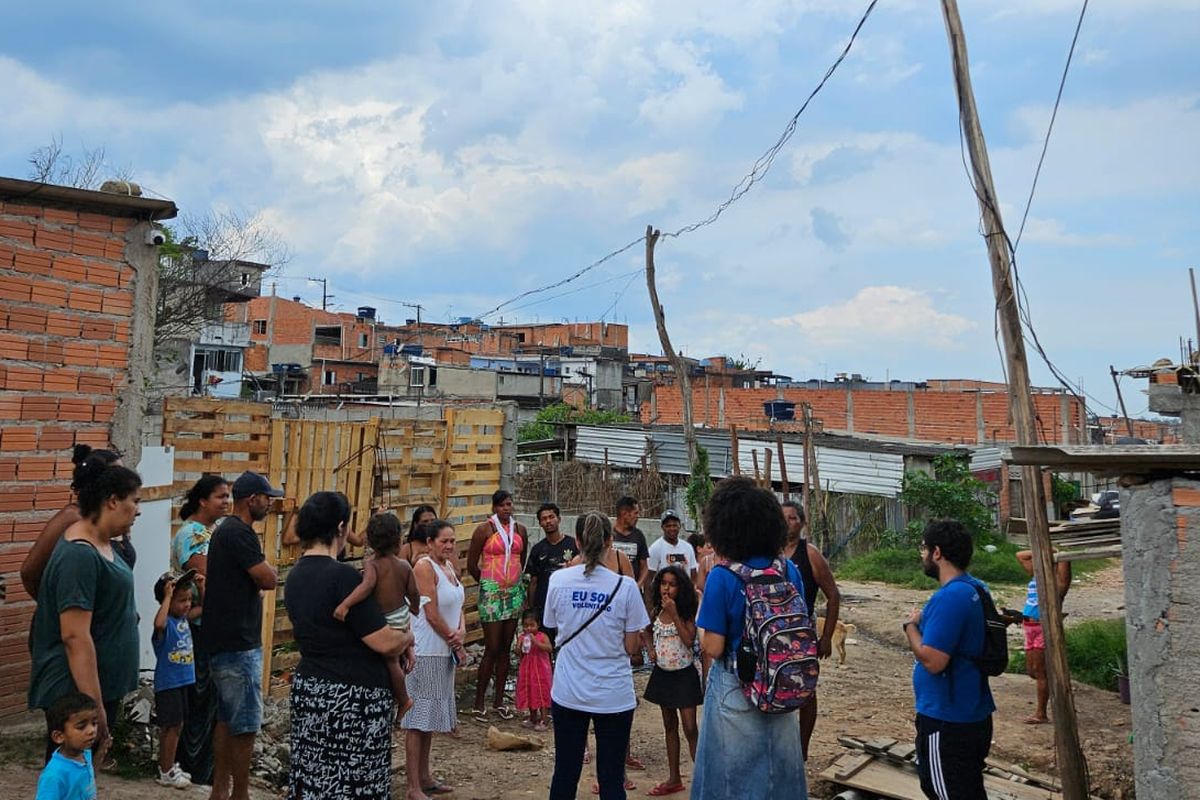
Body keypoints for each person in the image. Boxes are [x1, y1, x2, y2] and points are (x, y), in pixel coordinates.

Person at [284, 491, 413, 800]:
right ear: (341, 528)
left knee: (314, 780)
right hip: (352, 700)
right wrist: (407, 637)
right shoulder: (343, 577)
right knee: (354, 785)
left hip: (310, 691)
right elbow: (383, 642)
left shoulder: (294, 576)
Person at [693, 476, 808, 800]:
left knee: (731, 784)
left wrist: (702, 610)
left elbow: (713, 647)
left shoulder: (723, 577)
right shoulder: (788, 571)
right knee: (780, 779)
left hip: (735, 688)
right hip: (782, 685)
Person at [28, 464, 142, 766]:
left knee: (81, 778)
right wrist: (95, 706)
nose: (138, 510)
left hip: (99, 685)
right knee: (67, 777)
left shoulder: (101, 543)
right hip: (75, 691)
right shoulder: (79, 554)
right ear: (113, 501)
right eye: (135, 500)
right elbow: (74, 636)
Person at [545, 512, 650, 800]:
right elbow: (631, 647)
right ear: (610, 541)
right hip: (613, 692)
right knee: (612, 779)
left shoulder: (558, 580)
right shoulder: (626, 586)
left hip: (568, 690)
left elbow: (552, 626)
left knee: (565, 772)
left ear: (576, 541)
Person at [904, 519, 996, 800]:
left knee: (942, 790)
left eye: (924, 548)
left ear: (937, 553)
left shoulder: (951, 597)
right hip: (970, 711)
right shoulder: (975, 588)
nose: (922, 555)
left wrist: (910, 627)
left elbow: (933, 661)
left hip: (947, 719)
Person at [203, 471, 281, 800]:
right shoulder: (240, 533)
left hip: (223, 639)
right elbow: (267, 579)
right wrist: (266, 577)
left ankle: (221, 790)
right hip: (238, 642)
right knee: (245, 723)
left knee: (226, 717)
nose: (270, 503)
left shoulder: (227, 531)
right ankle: (241, 795)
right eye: (267, 497)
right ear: (252, 500)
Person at [170, 475, 231, 785]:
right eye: (221, 496)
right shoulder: (192, 534)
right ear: (203, 500)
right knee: (197, 701)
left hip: (211, 628)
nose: (226, 501)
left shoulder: (213, 531)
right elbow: (209, 574)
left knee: (210, 704)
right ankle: (191, 768)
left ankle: (203, 769)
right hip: (194, 630)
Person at [402, 520, 467, 800]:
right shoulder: (424, 567)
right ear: (430, 542)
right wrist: (453, 636)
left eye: (452, 541)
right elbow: (430, 612)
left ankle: (426, 777)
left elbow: (458, 605)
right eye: (444, 541)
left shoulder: (450, 567)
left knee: (428, 719)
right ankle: (413, 786)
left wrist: (461, 631)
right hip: (428, 649)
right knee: (418, 719)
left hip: (445, 650)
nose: (449, 546)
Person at [334, 511, 420, 719]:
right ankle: (407, 653)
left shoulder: (372, 564)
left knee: (391, 663)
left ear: (370, 541)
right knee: (399, 653)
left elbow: (367, 586)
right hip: (402, 615)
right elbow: (414, 593)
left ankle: (404, 699)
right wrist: (415, 608)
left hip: (385, 618)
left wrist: (345, 604)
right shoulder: (404, 565)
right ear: (398, 538)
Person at [20, 445, 121, 600]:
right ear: (98, 482)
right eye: (118, 476)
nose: (126, 481)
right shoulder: (73, 517)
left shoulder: (116, 518)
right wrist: (55, 609)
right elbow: (29, 573)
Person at [780, 500, 841, 759]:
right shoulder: (769, 552)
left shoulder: (811, 554)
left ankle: (802, 749)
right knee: (777, 687)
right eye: (783, 518)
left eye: (793, 518)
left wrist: (825, 637)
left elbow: (833, 596)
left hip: (802, 631)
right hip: (773, 633)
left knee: (806, 691)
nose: (787, 522)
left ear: (802, 522)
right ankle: (781, 745)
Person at [466, 489, 527, 721]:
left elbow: (523, 557)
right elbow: (472, 563)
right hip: (491, 593)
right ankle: (479, 702)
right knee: (491, 647)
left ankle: (499, 701)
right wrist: (487, 584)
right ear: (494, 507)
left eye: (509, 504)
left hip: (513, 593)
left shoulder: (520, 530)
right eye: (501, 505)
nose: (506, 508)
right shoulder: (484, 530)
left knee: (505, 647)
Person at [644, 565, 702, 797]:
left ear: (681, 588)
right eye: (663, 583)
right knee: (669, 725)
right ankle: (674, 777)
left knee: (690, 727)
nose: (666, 588)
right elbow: (646, 631)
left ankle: (702, 776)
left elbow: (688, 640)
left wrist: (675, 613)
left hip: (684, 674)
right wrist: (650, 649)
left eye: (672, 584)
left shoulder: (686, 611)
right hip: (663, 674)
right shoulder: (657, 610)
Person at [152, 572, 199, 789]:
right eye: (182, 600)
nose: (187, 604)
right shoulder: (166, 624)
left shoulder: (182, 620)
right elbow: (158, 623)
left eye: (189, 599)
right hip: (168, 683)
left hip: (183, 682)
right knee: (170, 727)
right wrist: (168, 598)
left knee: (177, 726)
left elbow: (203, 608)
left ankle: (168, 765)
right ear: (167, 600)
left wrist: (202, 587)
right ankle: (166, 770)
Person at [1015, 549, 1072, 724]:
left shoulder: (1057, 582)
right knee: (1032, 671)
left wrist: (1055, 553)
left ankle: (1041, 713)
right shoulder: (1037, 575)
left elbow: (1065, 559)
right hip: (1029, 626)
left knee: (1040, 672)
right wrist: (1046, 548)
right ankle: (1051, 697)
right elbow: (1020, 555)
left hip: (1042, 627)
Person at [525, 502, 577, 644]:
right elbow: (532, 581)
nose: (548, 521)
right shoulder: (537, 550)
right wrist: (531, 609)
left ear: (559, 519)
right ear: (540, 523)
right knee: (545, 645)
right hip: (544, 606)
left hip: (568, 604)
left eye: (551, 517)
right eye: (544, 519)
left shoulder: (573, 545)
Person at [35, 691, 99, 800]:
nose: (92, 730)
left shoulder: (85, 753)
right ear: (59, 736)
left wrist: (102, 750)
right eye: (81, 727)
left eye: (94, 723)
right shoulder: (54, 775)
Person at [514, 609, 553, 731]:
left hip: (541, 671)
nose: (529, 628)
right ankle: (532, 717)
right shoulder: (522, 637)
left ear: (538, 625)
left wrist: (536, 642)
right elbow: (518, 653)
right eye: (526, 626)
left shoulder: (542, 636)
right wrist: (519, 645)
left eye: (532, 625)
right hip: (527, 670)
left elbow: (549, 648)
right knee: (530, 692)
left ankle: (544, 719)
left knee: (542, 693)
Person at [647, 510, 698, 585]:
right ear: (662, 527)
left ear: (679, 526)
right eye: (668, 526)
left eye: (674, 525)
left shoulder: (688, 547)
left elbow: (693, 575)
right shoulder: (655, 548)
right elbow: (649, 578)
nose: (672, 529)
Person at [611, 496, 649, 591]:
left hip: (632, 591)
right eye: (635, 513)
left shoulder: (639, 536)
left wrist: (638, 586)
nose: (638, 516)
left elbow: (644, 566)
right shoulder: (608, 535)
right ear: (624, 514)